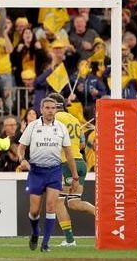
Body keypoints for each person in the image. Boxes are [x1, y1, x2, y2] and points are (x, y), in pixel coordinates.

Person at [18, 97, 78, 252]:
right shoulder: (32, 126)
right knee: (34, 211)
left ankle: (45, 243)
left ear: (56, 110)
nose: (50, 111)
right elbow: (21, 147)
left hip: (54, 171)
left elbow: (68, 153)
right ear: (41, 109)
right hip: (36, 171)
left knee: (51, 206)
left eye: (53, 108)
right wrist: (22, 159)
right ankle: (35, 232)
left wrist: (75, 176)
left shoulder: (61, 128)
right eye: (47, 108)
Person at [46, 92, 95, 247]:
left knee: (58, 201)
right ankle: (105, 217)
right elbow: (82, 145)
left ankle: (69, 240)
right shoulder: (74, 119)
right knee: (74, 202)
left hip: (66, 164)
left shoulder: (55, 119)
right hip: (80, 163)